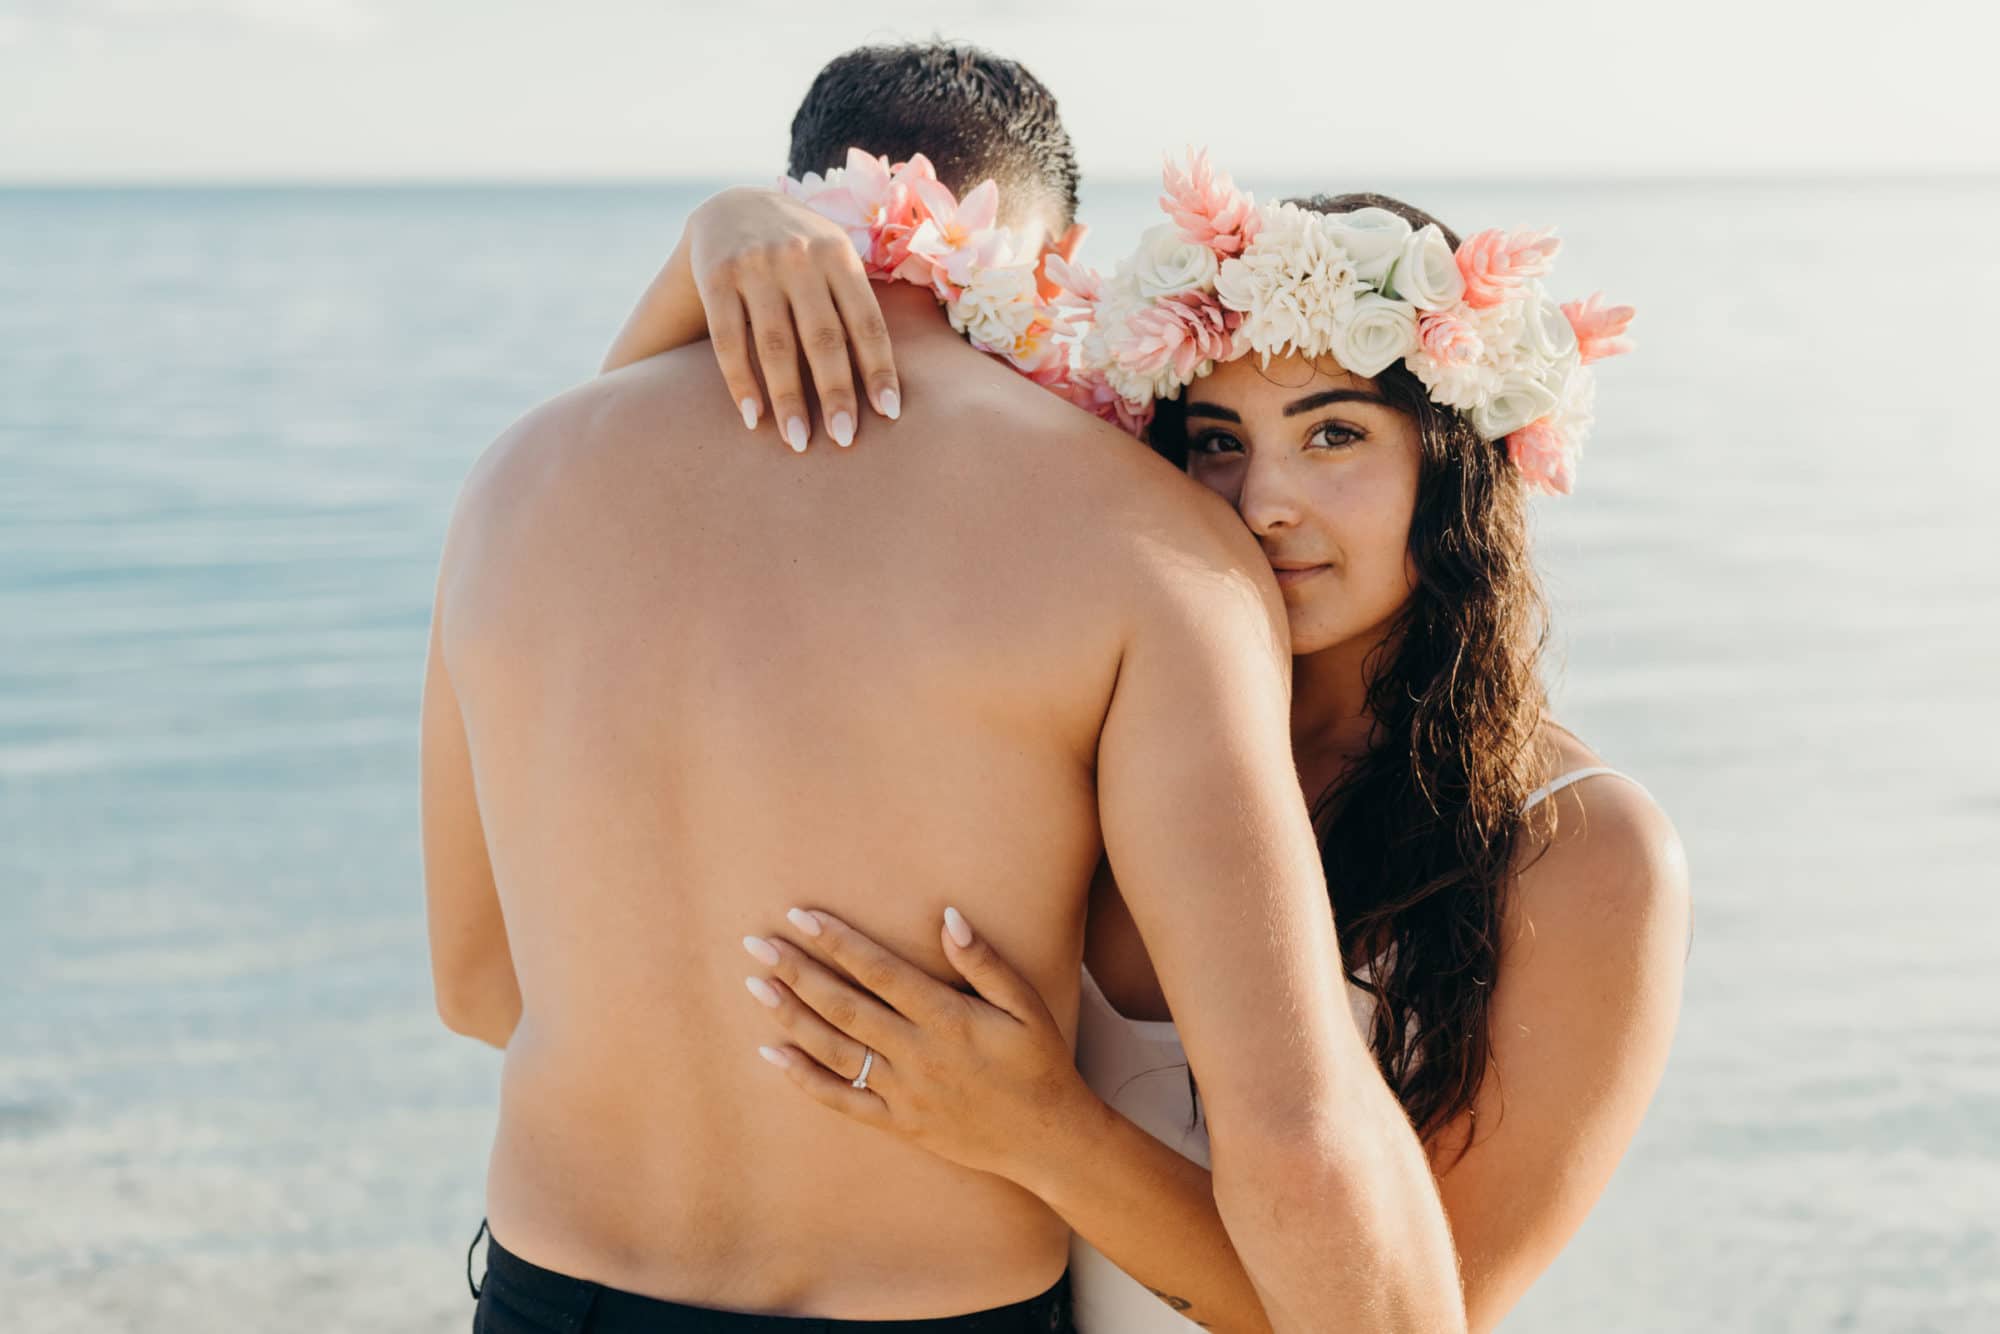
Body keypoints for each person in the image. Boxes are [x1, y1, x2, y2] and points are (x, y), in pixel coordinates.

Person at [422, 41, 1463, 1334]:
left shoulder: (514, 483)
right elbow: (1294, 1133)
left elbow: (478, 987)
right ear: (1059, 266)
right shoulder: (1151, 550)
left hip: (553, 1292)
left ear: (797, 206)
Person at [597, 158, 1691, 1333]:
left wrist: (1039, 1128)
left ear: (1456, 461)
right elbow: (619, 526)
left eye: (1332, 434)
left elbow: (1419, 1317)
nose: (1261, 500)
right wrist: (720, 235)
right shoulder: (1098, 729)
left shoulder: (1578, 846)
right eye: (1216, 439)